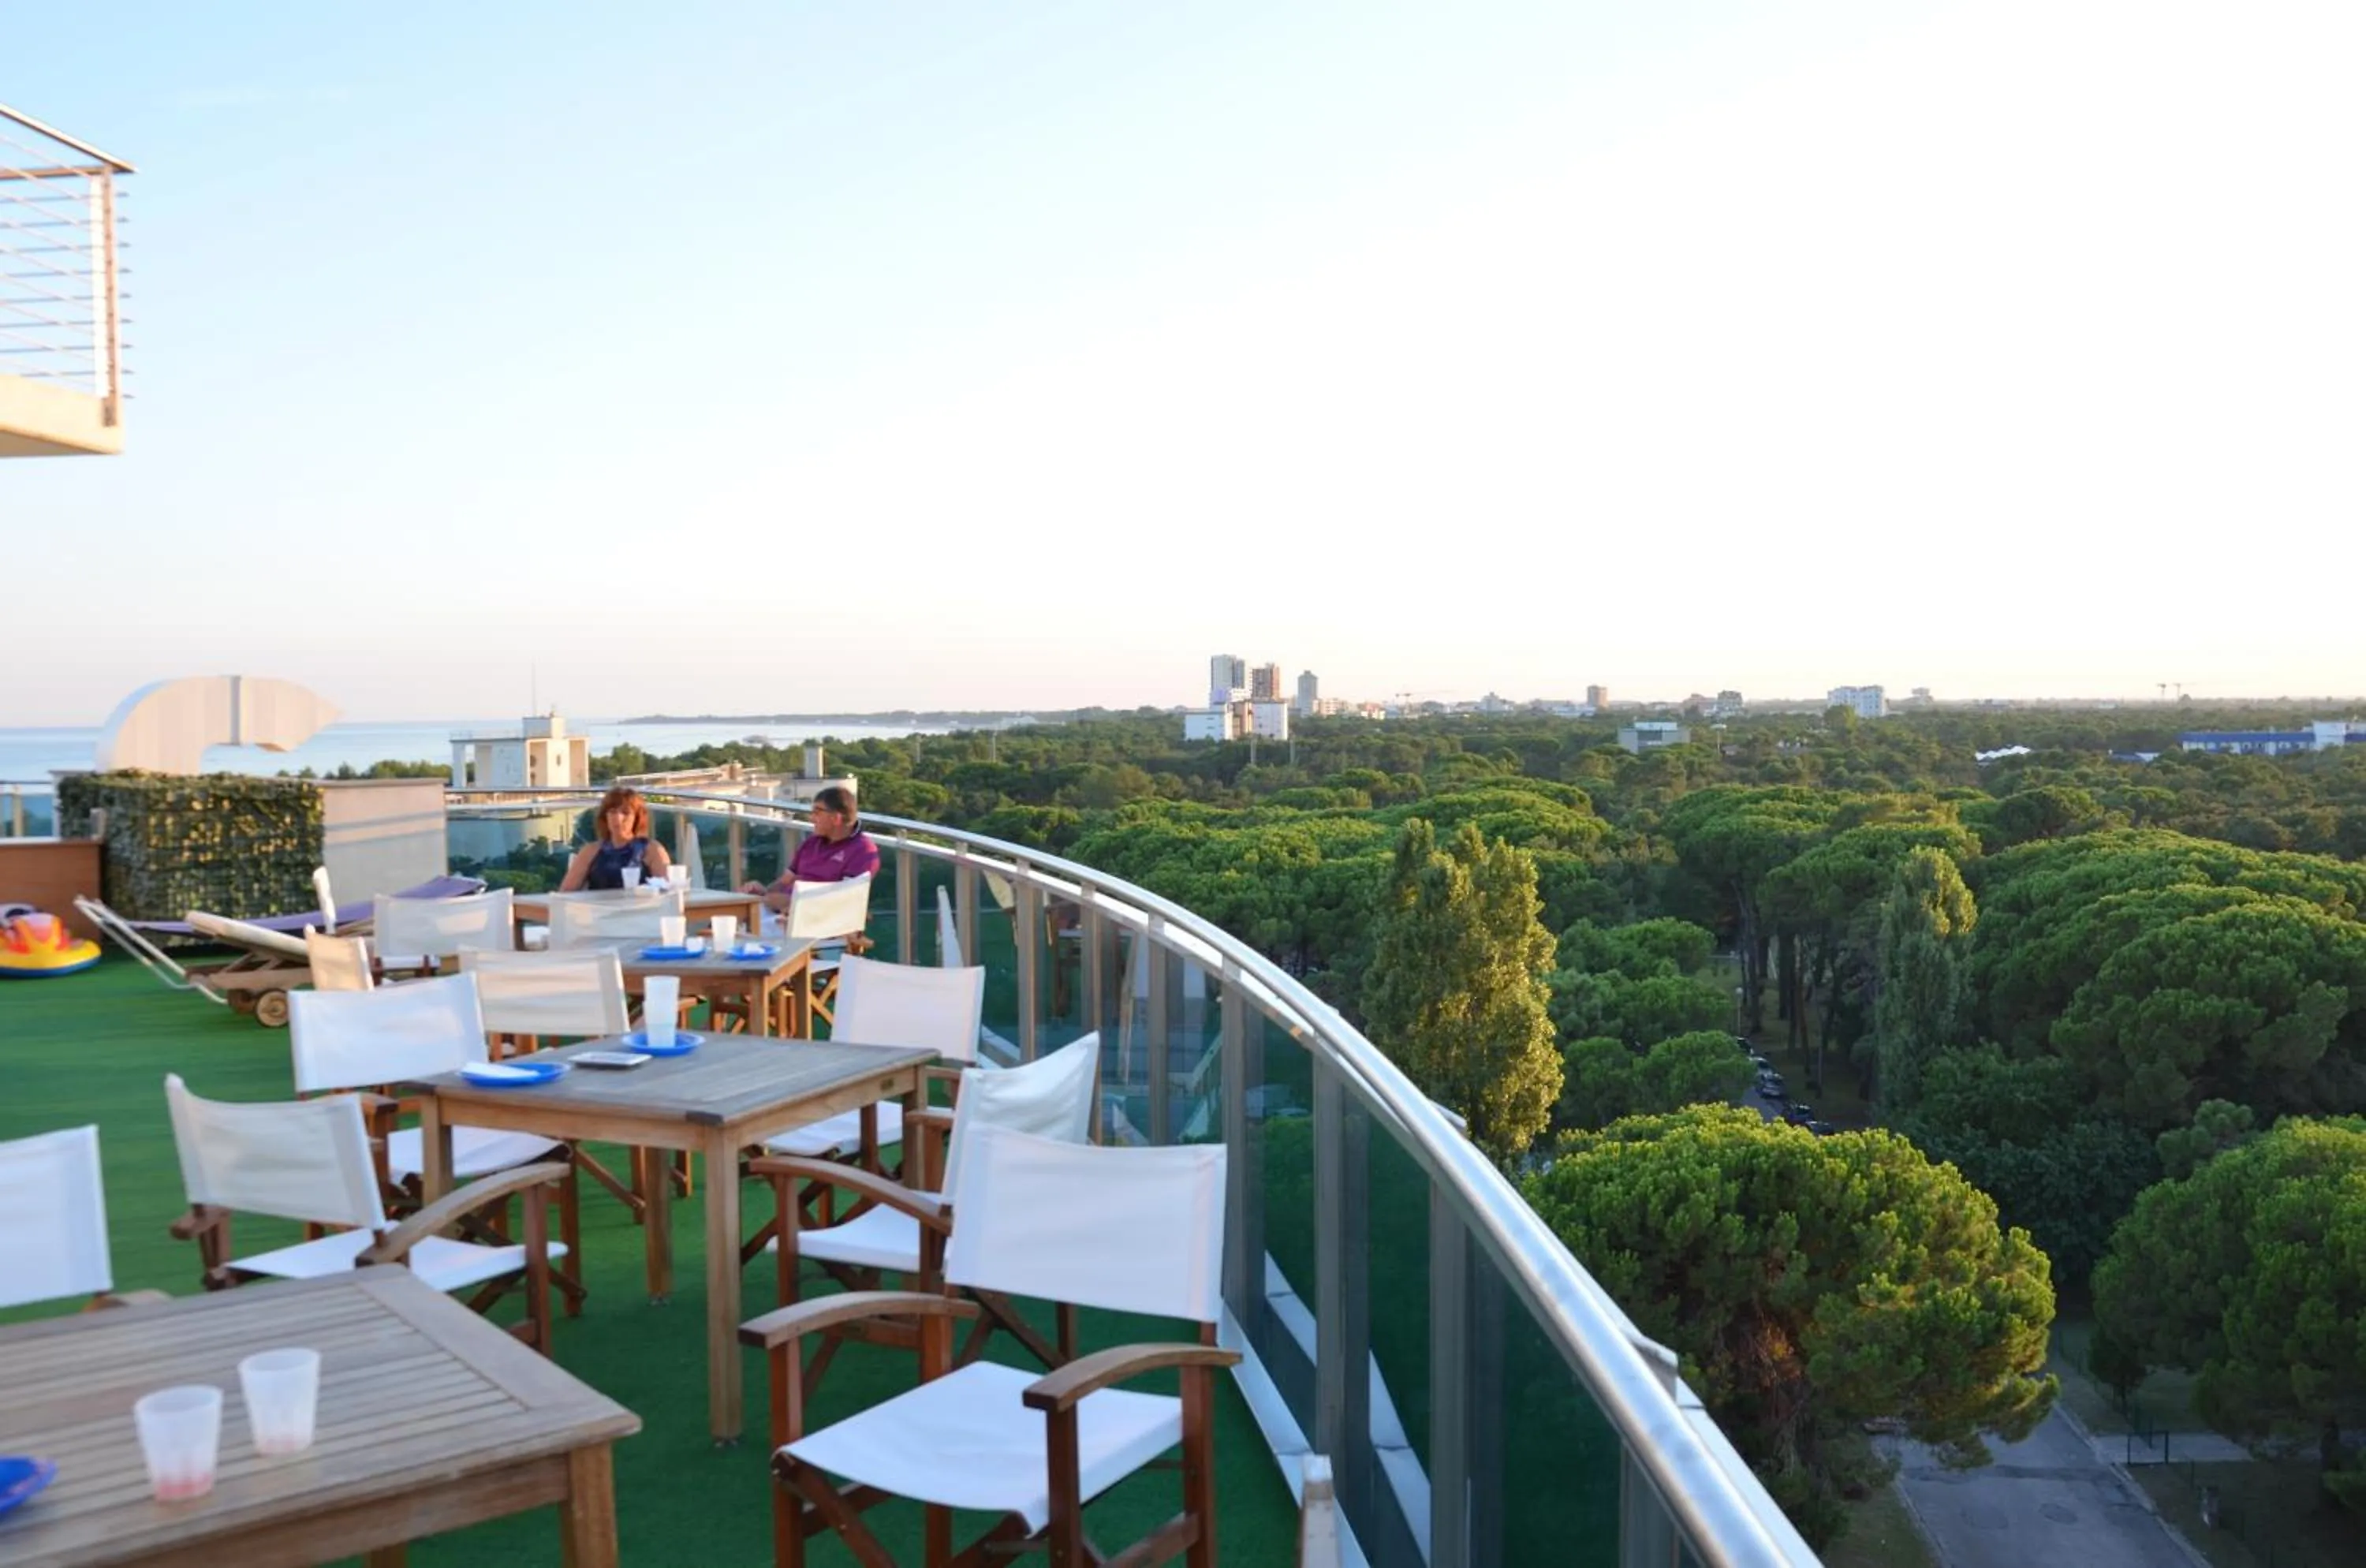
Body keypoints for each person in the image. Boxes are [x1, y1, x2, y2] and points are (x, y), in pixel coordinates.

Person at [743, 785, 878, 913]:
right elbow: (786, 880)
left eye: (817, 813)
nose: (811, 818)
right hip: (783, 914)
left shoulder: (863, 851)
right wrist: (764, 892)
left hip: (815, 923)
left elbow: (843, 900)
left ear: (836, 818)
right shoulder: (812, 842)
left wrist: (791, 902)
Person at [559, 785, 675, 891]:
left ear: (637, 818)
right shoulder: (590, 852)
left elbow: (665, 891)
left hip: (641, 911)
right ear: (605, 817)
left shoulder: (652, 850)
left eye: (625, 813)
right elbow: (565, 893)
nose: (618, 818)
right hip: (599, 911)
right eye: (612, 812)